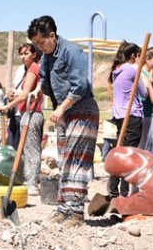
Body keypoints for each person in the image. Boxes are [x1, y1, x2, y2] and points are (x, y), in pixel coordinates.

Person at [28, 15, 99, 226]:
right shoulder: (46, 57)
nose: (39, 47)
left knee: (76, 159)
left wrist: (61, 107)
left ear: (52, 35)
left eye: (41, 42)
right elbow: (44, 80)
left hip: (81, 109)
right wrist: (36, 92)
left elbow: (79, 86)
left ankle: (76, 211)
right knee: (65, 160)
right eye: (36, 45)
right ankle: (64, 208)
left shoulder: (71, 51)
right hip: (64, 112)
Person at [0, 42, 44, 196]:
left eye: (26, 53)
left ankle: (32, 183)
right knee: (26, 149)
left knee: (32, 150)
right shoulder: (27, 71)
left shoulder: (33, 69)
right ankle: (28, 180)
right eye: (21, 54)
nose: (23, 57)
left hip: (33, 113)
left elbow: (25, 95)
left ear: (34, 54)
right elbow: (24, 94)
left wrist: (6, 106)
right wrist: (14, 94)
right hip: (25, 112)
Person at [106, 41, 146, 200]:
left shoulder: (116, 70)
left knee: (120, 152)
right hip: (132, 115)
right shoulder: (131, 69)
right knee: (129, 154)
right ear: (133, 56)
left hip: (119, 116)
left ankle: (114, 190)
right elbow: (143, 92)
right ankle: (123, 192)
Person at [138, 48, 153, 149]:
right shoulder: (142, 73)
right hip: (145, 112)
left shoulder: (151, 73)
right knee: (144, 144)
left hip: (151, 112)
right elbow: (147, 92)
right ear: (147, 59)